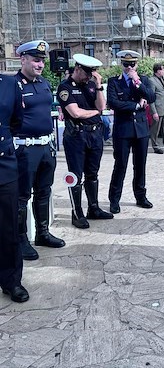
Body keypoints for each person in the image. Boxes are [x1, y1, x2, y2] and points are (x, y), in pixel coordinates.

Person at [13, 40, 65, 261]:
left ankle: (42, 233)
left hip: (46, 147)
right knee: (21, 196)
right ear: (23, 59)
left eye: (42, 60)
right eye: (35, 59)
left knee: (44, 192)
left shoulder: (44, 83)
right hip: (24, 149)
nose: (40, 64)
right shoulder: (12, 85)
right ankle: (21, 239)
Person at [57, 54, 114, 229]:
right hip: (76, 136)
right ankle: (77, 213)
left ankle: (94, 208)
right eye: (87, 73)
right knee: (76, 175)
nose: (89, 76)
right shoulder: (65, 87)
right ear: (78, 68)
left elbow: (102, 106)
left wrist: (98, 87)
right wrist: (95, 113)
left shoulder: (91, 85)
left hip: (94, 135)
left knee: (92, 173)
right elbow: (76, 113)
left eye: (92, 73)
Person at [107, 50, 156, 214]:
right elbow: (113, 103)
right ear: (121, 64)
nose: (129, 67)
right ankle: (114, 199)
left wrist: (138, 83)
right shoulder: (114, 82)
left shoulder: (144, 80)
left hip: (141, 129)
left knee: (140, 165)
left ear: (137, 64)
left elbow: (151, 96)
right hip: (123, 129)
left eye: (132, 64)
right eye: (126, 64)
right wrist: (135, 106)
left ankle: (140, 196)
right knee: (120, 165)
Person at [0, 73, 29, 303]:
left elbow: (17, 121)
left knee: (9, 226)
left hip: (4, 163)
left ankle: (12, 281)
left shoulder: (10, 84)